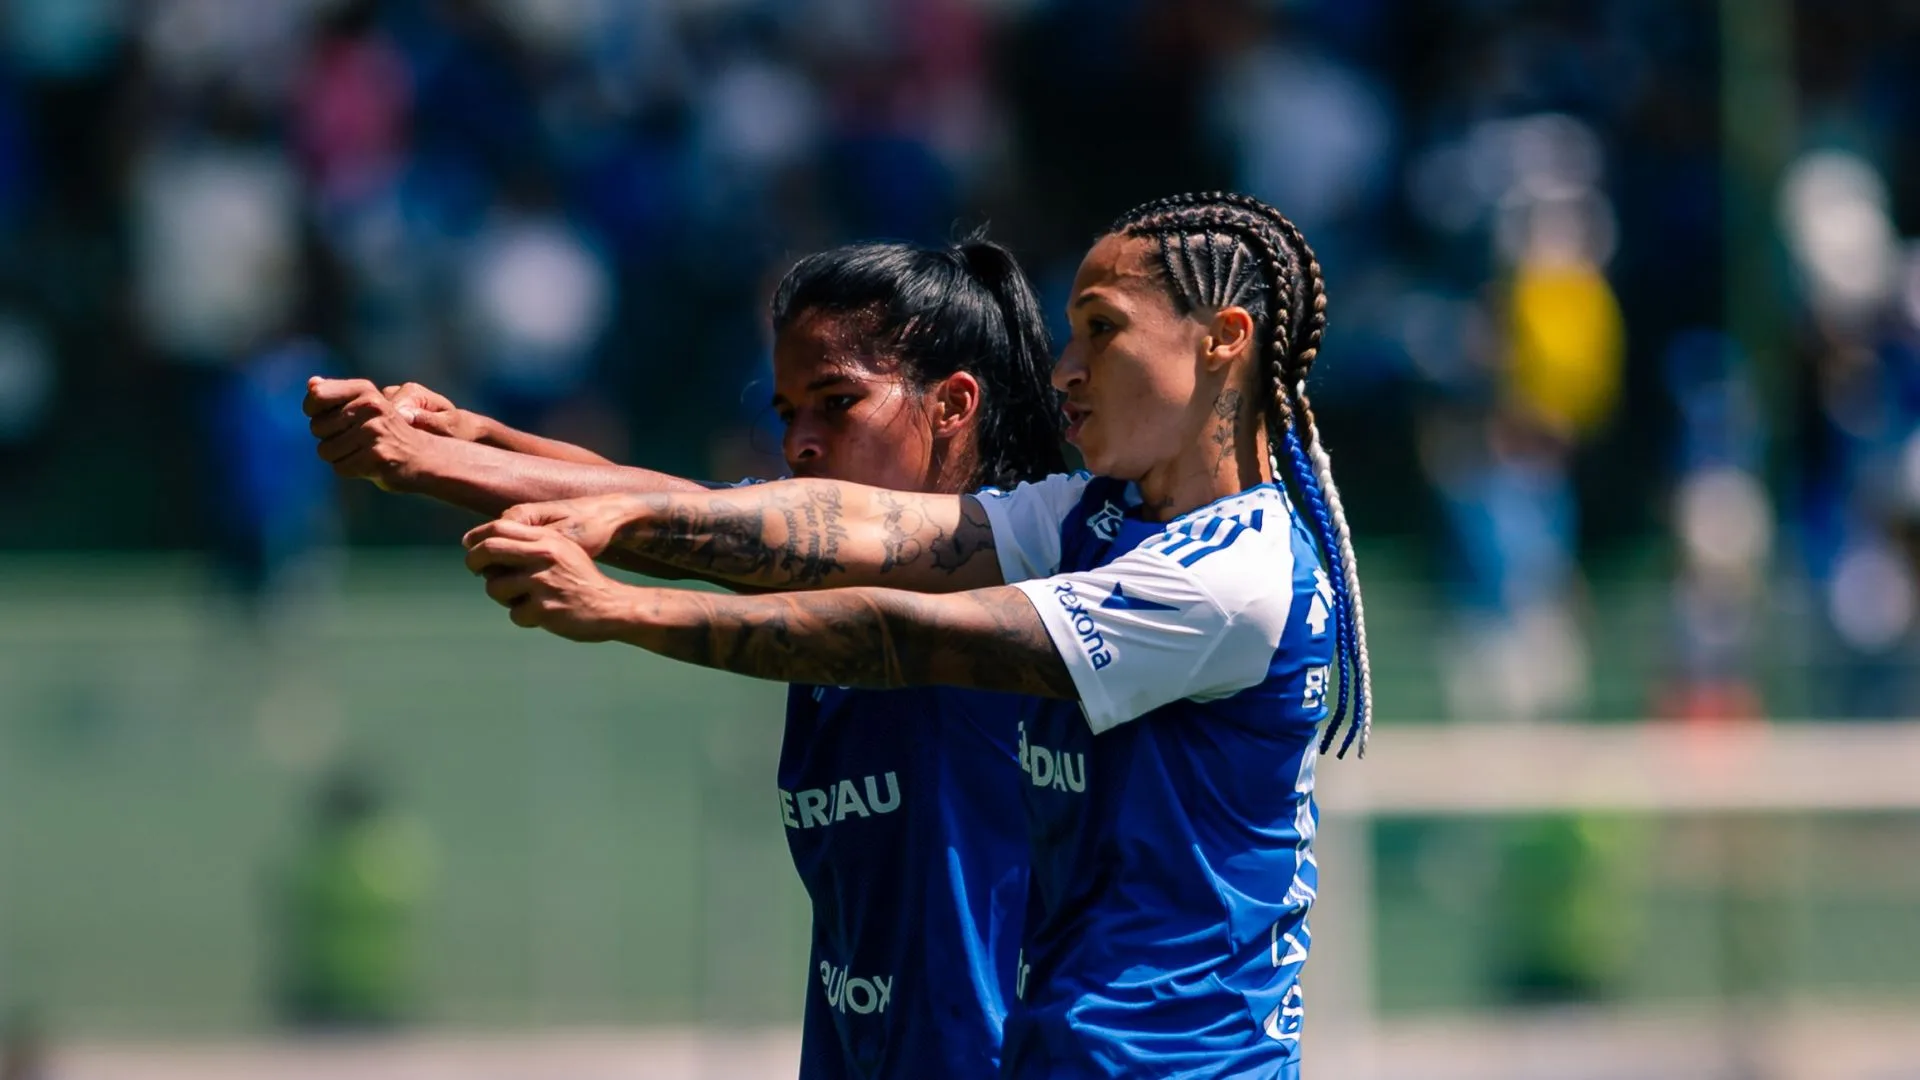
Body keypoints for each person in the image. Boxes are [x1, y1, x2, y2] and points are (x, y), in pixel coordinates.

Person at [460, 191, 1371, 1077]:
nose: (1066, 367)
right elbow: (827, 527)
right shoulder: (1086, 520)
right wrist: (471, 456)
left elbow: (904, 634)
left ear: (1223, 339)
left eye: (1103, 327)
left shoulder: (1232, 577)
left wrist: (625, 608)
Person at [304, 235, 1065, 1078]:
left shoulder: (1016, 555)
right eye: (787, 414)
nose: (801, 442)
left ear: (954, 405)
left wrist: (444, 463)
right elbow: (678, 504)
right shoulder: (824, 552)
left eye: (837, 403)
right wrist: (470, 438)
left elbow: (685, 522)